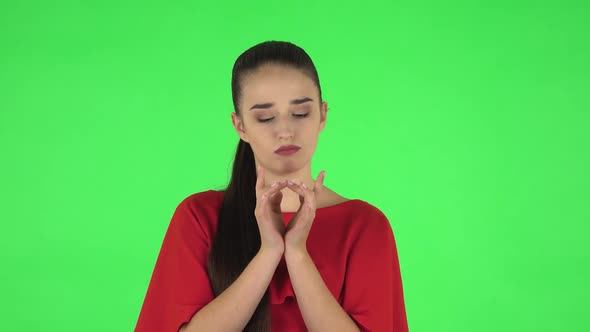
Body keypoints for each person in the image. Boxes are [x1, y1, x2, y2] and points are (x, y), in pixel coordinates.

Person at [134, 40, 408, 332]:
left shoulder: (365, 226)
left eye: (300, 113)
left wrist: (298, 255)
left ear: (323, 115)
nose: (285, 131)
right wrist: (268, 252)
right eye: (265, 117)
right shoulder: (199, 217)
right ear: (240, 126)